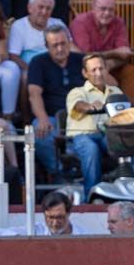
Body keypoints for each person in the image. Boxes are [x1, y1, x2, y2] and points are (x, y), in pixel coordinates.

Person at [28, 25, 84, 180]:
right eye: (55, 45)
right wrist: (42, 118)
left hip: (82, 117)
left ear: (69, 42)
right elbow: (34, 94)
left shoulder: (82, 60)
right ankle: (60, 171)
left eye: (63, 43)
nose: (60, 48)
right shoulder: (38, 62)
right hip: (52, 116)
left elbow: (105, 83)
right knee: (39, 133)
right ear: (47, 47)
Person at [66, 53, 123, 195]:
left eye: (101, 68)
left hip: (108, 135)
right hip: (81, 137)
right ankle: (93, 194)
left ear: (107, 69)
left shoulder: (115, 91)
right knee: (91, 148)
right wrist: (89, 106)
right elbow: (78, 105)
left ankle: (131, 182)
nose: (98, 73)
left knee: (128, 142)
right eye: (93, 70)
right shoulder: (77, 92)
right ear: (85, 73)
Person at [70, 0, 134, 94]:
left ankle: (131, 107)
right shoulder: (81, 22)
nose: (107, 13)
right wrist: (113, 55)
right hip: (85, 68)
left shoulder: (118, 22)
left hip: (111, 66)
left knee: (129, 70)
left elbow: (124, 54)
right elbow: (85, 56)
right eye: (103, 9)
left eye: (111, 10)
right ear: (93, 8)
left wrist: (109, 64)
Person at [7, 0, 67, 69]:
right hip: (29, 68)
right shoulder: (18, 26)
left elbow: (70, 47)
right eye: (40, 7)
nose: (44, 12)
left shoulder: (58, 24)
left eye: (48, 8)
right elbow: (13, 56)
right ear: (30, 8)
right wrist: (32, 71)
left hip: (56, 67)